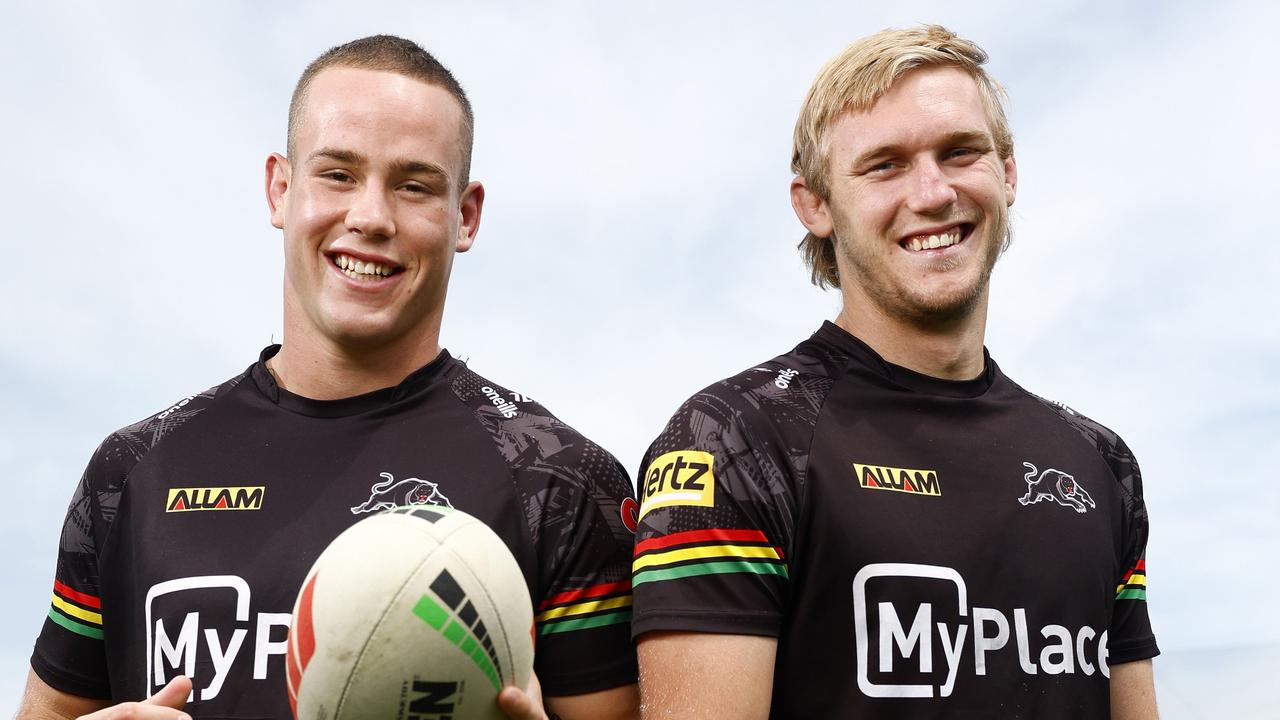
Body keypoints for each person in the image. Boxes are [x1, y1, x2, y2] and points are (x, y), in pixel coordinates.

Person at [19, 35, 639, 720]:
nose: (370, 217)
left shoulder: (561, 481)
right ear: (280, 190)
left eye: (413, 185)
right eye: (338, 174)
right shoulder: (131, 473)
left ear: (464, 215)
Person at [630, 25, 1159, 719]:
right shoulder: (734, 440)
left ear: (1008, 173)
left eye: (960, 151)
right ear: (815, 204)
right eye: (885, 165)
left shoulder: (1100, 462)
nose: (933, 192)